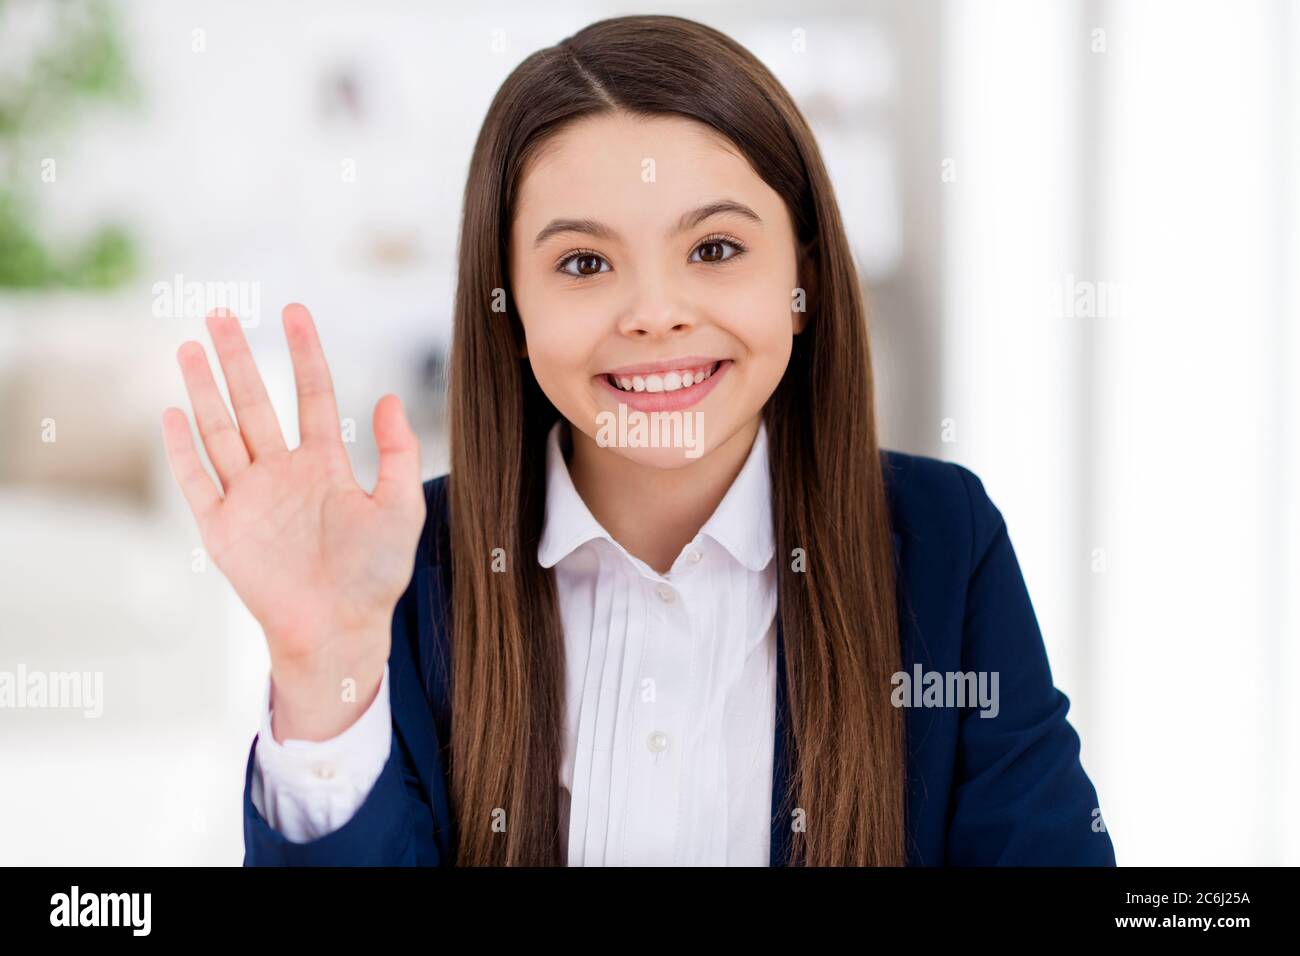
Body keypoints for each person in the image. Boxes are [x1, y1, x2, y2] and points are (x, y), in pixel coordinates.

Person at [161, 14, 1115, 866]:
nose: (655, 313)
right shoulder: (408, 570)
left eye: (714, 250)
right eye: (583, 262)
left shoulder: (945, 544)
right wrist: (323, 671)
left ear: (806, 279)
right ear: (508, 303)